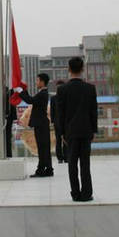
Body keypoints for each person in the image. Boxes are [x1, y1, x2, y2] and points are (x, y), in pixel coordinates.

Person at [56, 57, 97, 202]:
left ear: (69, 69)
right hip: (86, 130)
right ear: (83, 69)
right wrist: (94, 130)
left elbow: (60, 114)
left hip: (70, 132)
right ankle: (86, 193)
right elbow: (93, 111)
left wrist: (61, 133)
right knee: (85, 163)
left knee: (72, 163)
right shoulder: (90, 88)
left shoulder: (62, 89)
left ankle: (75, 193)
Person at [16, 73, 53, 177]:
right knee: (44, 147)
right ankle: (49, 169)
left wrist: (21, 91)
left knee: (42, 148)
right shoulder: (42, 93)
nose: (36, 82)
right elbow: (32, 99)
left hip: (41, 124)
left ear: (42, 82)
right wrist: (24, 91)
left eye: (37, 80)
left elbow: (30, 100)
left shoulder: (42, 94)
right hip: (41, 124)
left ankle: (41, 170)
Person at [50, 80, 67, 163]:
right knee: (58, 140)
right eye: (58, 87)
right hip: (57, 123)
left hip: (66, 122)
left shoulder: (67, 97)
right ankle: (59, 157)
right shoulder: (53, 98)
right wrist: (52, 121)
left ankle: (67, 157)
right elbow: (52, 110)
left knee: (66, 140)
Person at [5, 87, 17, 158]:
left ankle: (8, 154)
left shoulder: (9, 91)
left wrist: (14, 118)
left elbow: (13, 105)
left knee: (8, 137)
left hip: (9, 118)